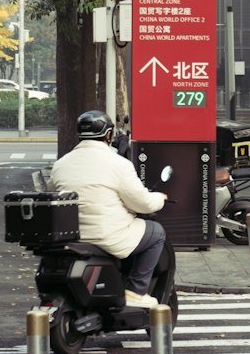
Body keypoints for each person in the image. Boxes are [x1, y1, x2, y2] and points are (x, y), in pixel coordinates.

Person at [50, 110, 168, 308]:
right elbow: (142, 203)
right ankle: (136, 291)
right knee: (156, 233)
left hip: (72, 237)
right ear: (108, 135)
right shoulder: (119, 164)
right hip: (106, 236)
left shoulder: (60, 164)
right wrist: (159, 198)